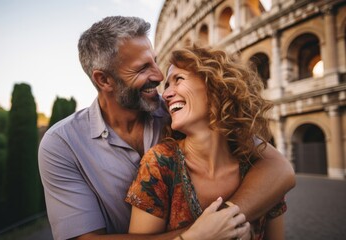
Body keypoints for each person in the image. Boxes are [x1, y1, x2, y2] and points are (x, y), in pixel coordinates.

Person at [38, 16, 295, 240]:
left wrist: (229, 220)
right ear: (104, 79)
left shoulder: (182, 115)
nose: (160, 78)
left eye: (155, 62)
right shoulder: (62, 144)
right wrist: (198, 235)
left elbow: (278, 167)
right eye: (142, 68)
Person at [126, 45, 288, 240]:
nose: (166, 95)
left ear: (215, 86)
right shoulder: (159, 163)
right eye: (167, 86)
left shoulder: (258, 168)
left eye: (178, 79)